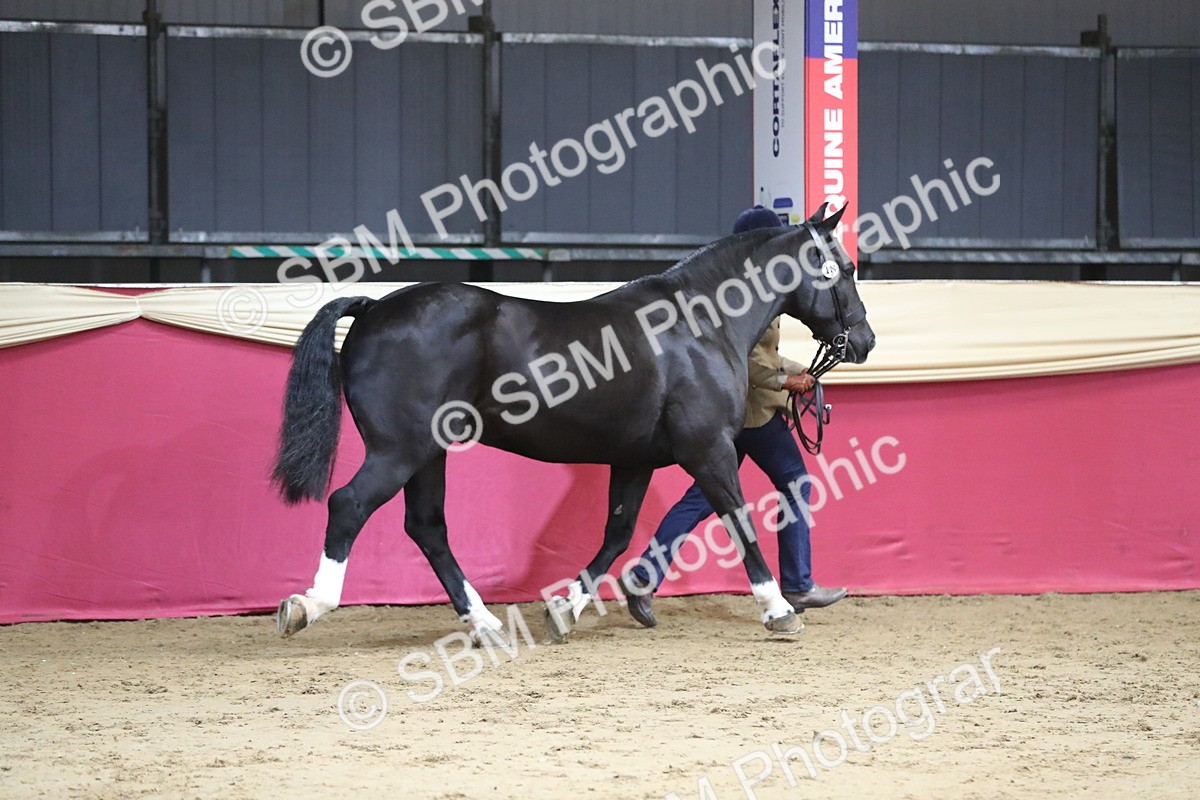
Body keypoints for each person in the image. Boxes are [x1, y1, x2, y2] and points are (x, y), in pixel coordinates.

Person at [619, 205, 847, 629]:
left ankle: (643, 575)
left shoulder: (735, 289)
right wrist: (785, 381)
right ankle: (796, 584)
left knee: (701, 498)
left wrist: (798, 371)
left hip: (730, 411)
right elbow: (747, 363)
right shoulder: (750, 296)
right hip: (752, 413)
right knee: (795, 483)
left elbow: (764, 358)